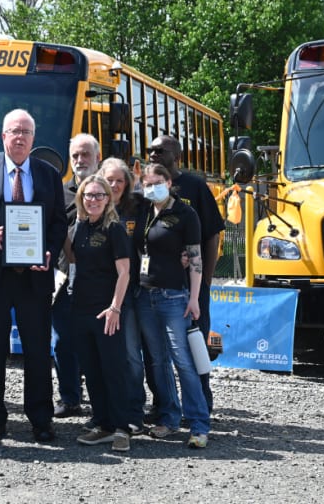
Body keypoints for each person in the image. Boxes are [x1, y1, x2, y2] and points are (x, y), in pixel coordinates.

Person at [0, 108, 68, 443]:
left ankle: (41, 419)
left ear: (33, 139)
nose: (19, 137)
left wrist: (48, 249)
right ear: (3, 136)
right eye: (14, 131)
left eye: (26, 132)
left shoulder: (48, 174)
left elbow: (59, 222)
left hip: (34, 276)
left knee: (37, 351)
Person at [133, 162, 210, 449]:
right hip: (144, 296)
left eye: (157, 182)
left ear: (169, 181)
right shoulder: (143, 210)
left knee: (183, 362)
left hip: (174, 298)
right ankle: (169, 417)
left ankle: (199, 424)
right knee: (158, 361)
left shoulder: (185, 213)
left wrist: (194, 298)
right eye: (147, 183)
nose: (152, 187)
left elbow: (196, 258)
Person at [148, 135, 224, 413]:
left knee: (194, 344)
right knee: (158, 352)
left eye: (160, 150)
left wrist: (204, 281)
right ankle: (164, 404)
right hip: (158, 284)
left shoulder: (195, 186)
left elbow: (212, 234)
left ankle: (202, 400)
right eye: (150, 150)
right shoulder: (148, 188)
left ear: (177, 155)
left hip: (190, 287)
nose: (153, 154)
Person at [65, 174, 135, 452]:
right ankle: (103, 424)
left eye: (99, 195)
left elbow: (125, 272)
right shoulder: (80, 226)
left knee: (113, 369)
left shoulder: (114, 229)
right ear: (81, 198)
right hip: (81, 309)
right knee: (91, 370)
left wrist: (115, 307)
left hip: (107, 311)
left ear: (108, 199)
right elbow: (73, 259)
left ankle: (122, 427)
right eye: (89, 195)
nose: (93, 200)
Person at [97, 157, 148, 435]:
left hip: (129, 291)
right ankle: (104, 413)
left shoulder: (138, 207)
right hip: (98, 293)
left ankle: (134, 412)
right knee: (103, 355)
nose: (114, 184)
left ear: (128, 182)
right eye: (110, 179)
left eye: (120, 180)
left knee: (130, 355)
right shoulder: (93, 205)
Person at [52, 133, 101, 419]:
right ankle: (70, 398)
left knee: (96, 344)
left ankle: (100, 401)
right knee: (62, 342)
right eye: (76, 156)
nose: (80, 160)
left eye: (85, 155)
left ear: (97, 157)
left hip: (100, 282)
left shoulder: (109, 192)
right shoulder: (59, 193)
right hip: (64, 280)